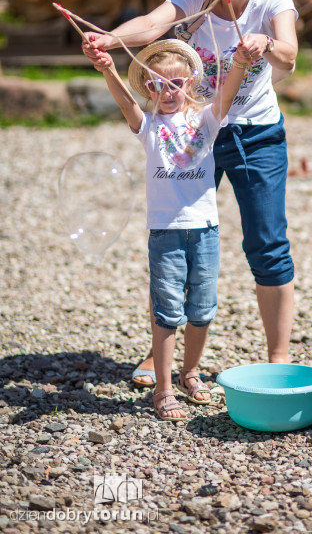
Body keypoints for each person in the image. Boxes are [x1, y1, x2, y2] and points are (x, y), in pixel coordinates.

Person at [82, 0, 298, 386]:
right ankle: (158, 354)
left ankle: (278, 357)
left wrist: (265, 42)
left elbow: (289, 55)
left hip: (256, 133)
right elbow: (153, 24)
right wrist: (111, 39)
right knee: (176, 241)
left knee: (267, 243)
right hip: (194, 131)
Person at [86, 38, 251, 419]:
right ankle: (163, 388)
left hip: (205, 230)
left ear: (190, 83)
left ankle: (189, 372)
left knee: (203, 310)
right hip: (165, 232)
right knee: (167, 312)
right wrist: (108, 69)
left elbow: (228, 93)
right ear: (148, 87)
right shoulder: (149, 126)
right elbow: (125, 103)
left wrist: (241, 63)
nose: (168, 91)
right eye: (158, 84)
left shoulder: (206, 119)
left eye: (176, 83)